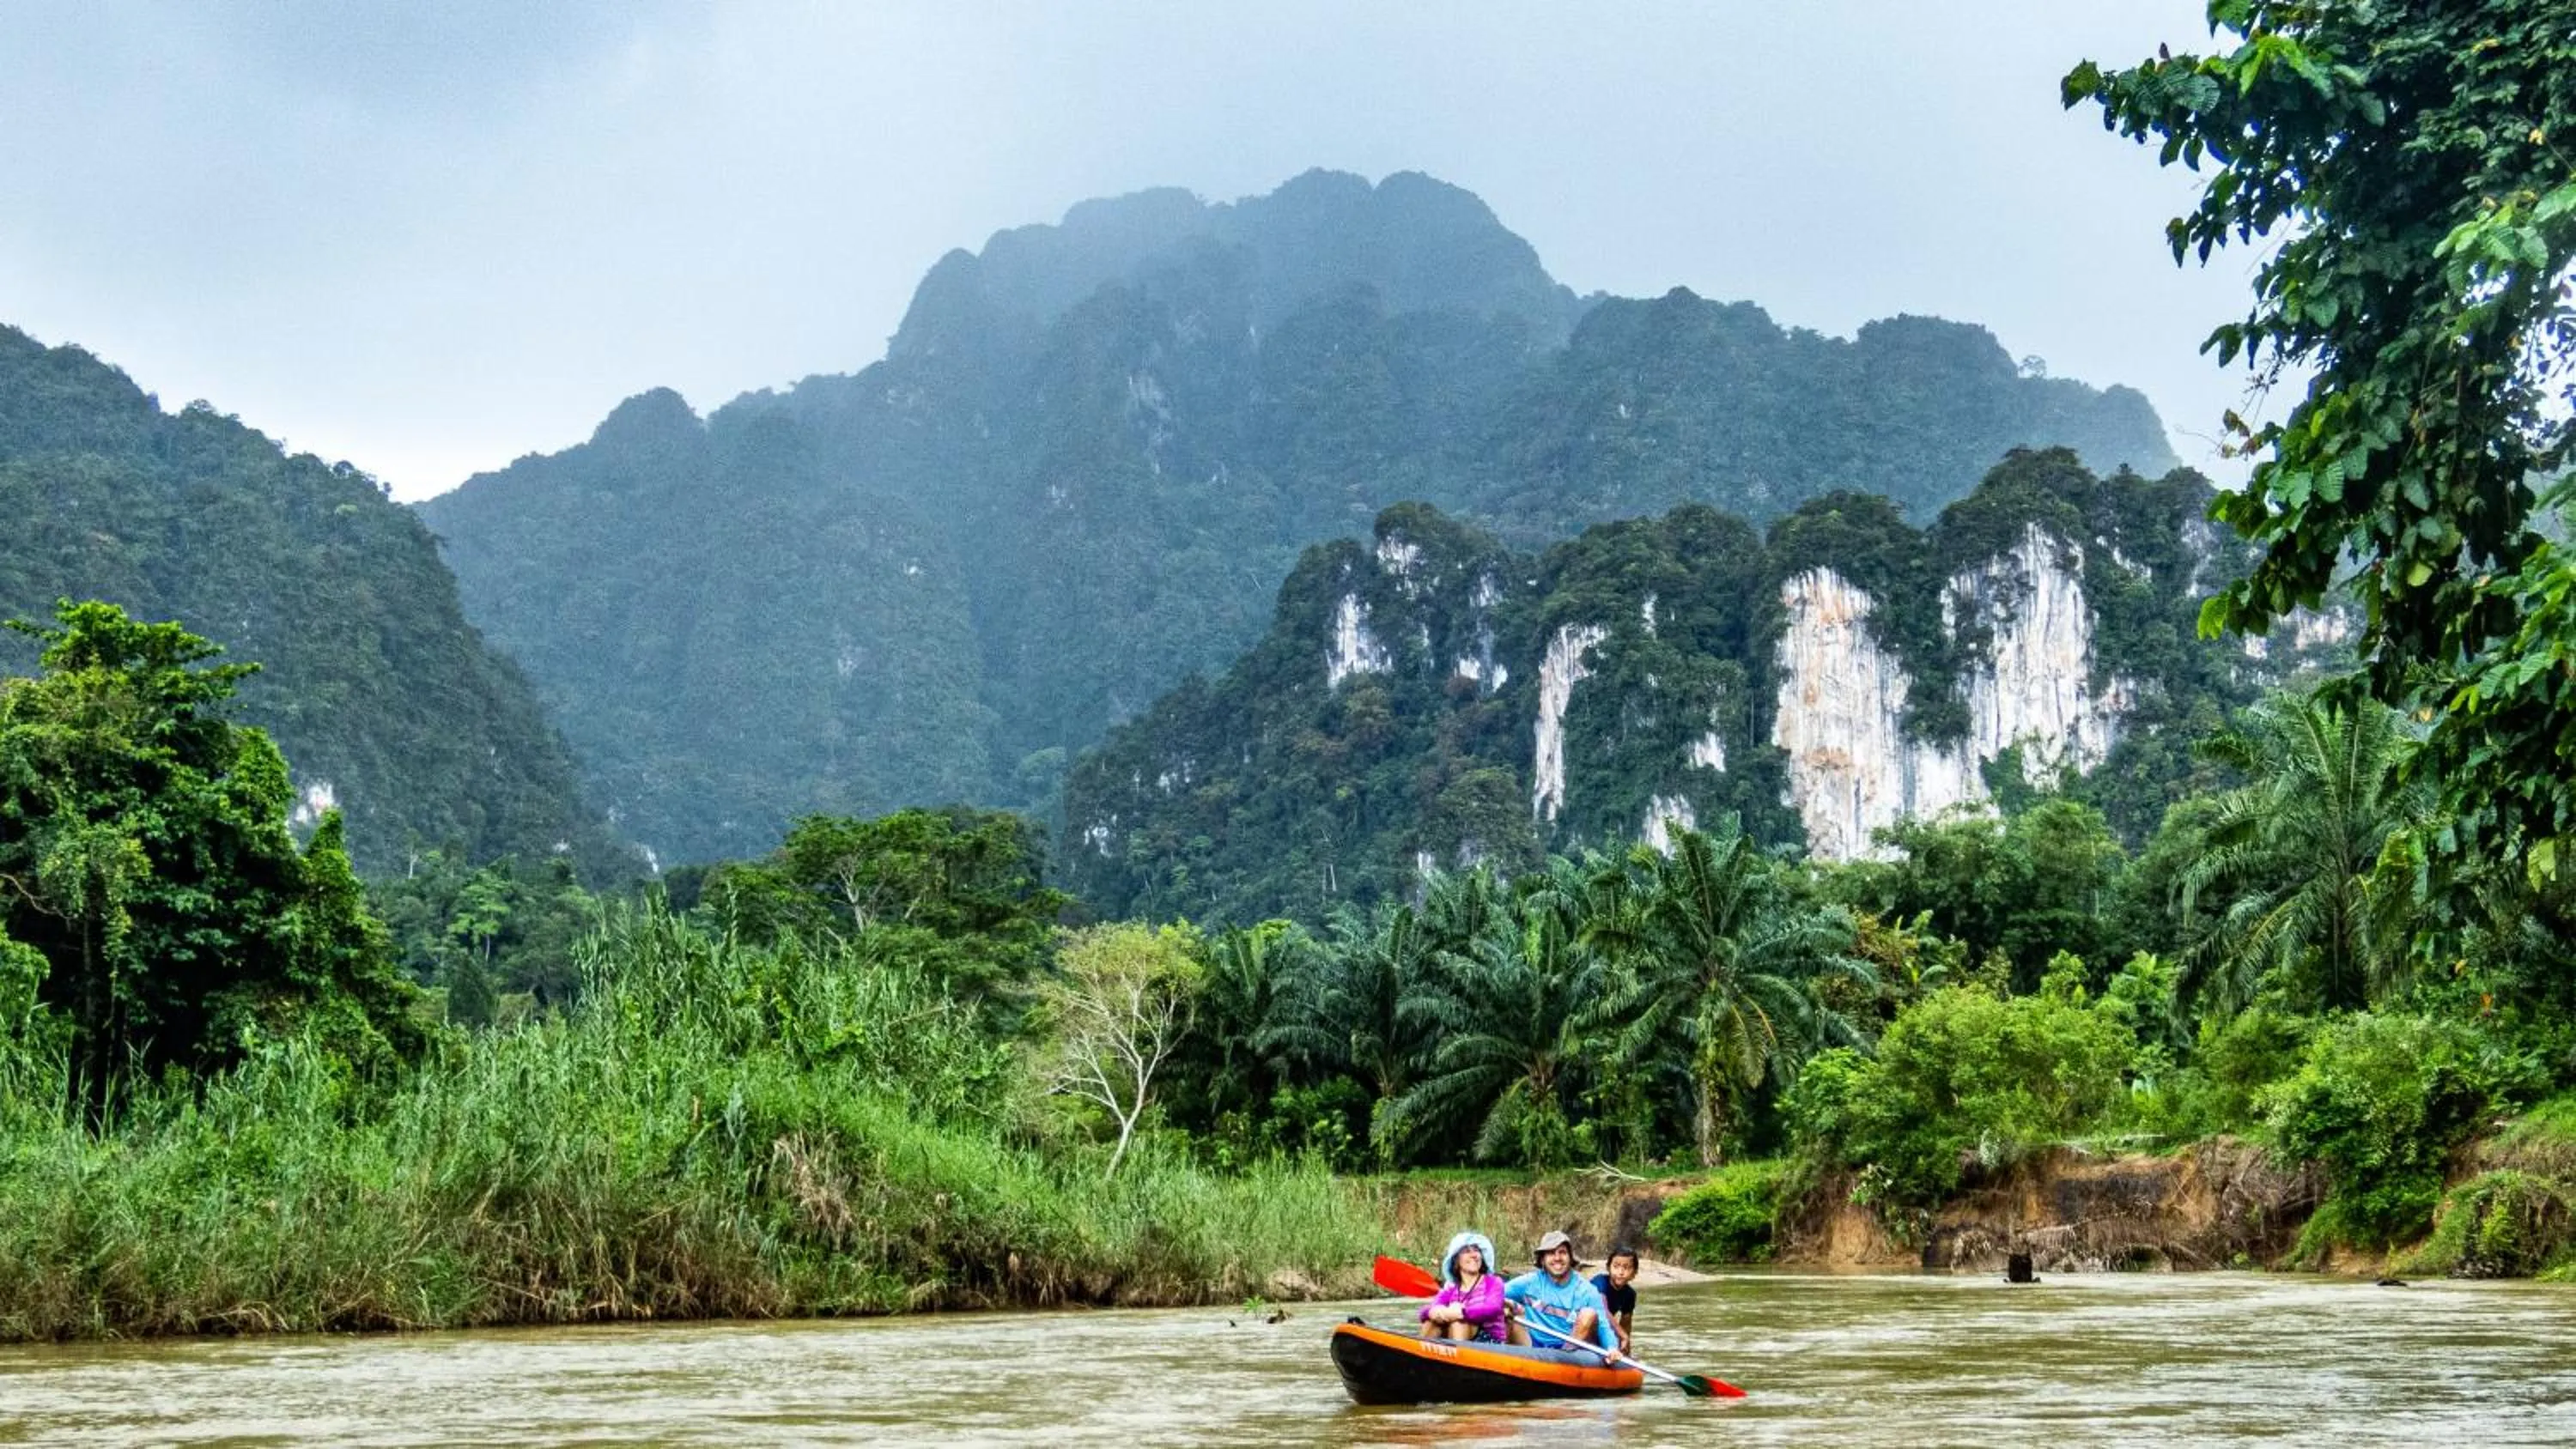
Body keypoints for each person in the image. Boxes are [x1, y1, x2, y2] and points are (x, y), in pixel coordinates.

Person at [1504, 1229, 1622, 1363]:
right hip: (1533, 1349)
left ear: (1570, 1258)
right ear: (1542, 1259)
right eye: (1551, 1253)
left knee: (1588, 1314)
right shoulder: (1529, 1282)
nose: (1557, 1258)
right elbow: (1495, 1294)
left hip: (1571, 1352)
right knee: (1506, 1307)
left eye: (1562, 1252)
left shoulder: (1587, 1290)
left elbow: (1603, 1325)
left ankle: (1561, 1362)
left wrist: (1612, 1347)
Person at [1416, 1230, 1508, 1343]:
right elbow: (1424, 1312)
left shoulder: (1494, 1282)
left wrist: (1461, 1312)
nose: (1474, 1255)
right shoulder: (1451, 1288)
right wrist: (1436, 1312)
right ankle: (1421, 1358)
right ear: (1456, 1260)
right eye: (1466, 1251)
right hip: (1458, 1338)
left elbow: (1492, 1309)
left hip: (1489, 1342)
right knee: (1431, 1322)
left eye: (1476, 1250)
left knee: (1459, 1323)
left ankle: (1458, 1359)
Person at [1590, 1245, 1640, 1354]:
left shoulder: (1630, 1294)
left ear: (1634, 1273)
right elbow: (1602, 1310)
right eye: (1616, 1266)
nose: (1621, 1272)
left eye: (1626, 1268)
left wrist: (1626, 1352)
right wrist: (1622, 1335)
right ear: (1608, 1268)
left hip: (1603, 1329)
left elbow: (1626, 1324)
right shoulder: (1600, 1282)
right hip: (1585, 1323)